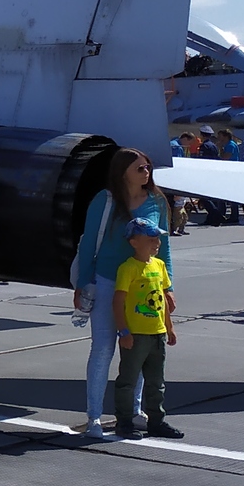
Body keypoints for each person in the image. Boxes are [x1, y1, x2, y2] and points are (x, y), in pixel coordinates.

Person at [71, 149, 171, 441]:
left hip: (144, 285)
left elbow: (163, 248)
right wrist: (82, 285)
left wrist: (169, 287)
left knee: (139, 351)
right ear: (123, 171)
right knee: (102, 349)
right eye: (140, 168)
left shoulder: (157, 201)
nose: (146, 172)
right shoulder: (105, 201)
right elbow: (89, 243)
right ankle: (94, 418)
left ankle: (134, 412)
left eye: (148, 167)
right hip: (106, 283)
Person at [110, 219, 183, 440]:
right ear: (133, 242)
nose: (156, 242)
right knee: (128, 381)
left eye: (157, 238)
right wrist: (123, 331)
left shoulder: (158, 265)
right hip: (136, 335)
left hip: (157, 333)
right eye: (150, 239)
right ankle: (123, 421)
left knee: (156, 383)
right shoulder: (128, 268)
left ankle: (156, 421)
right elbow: (118, 301)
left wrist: (169, 328)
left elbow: (162, 301)